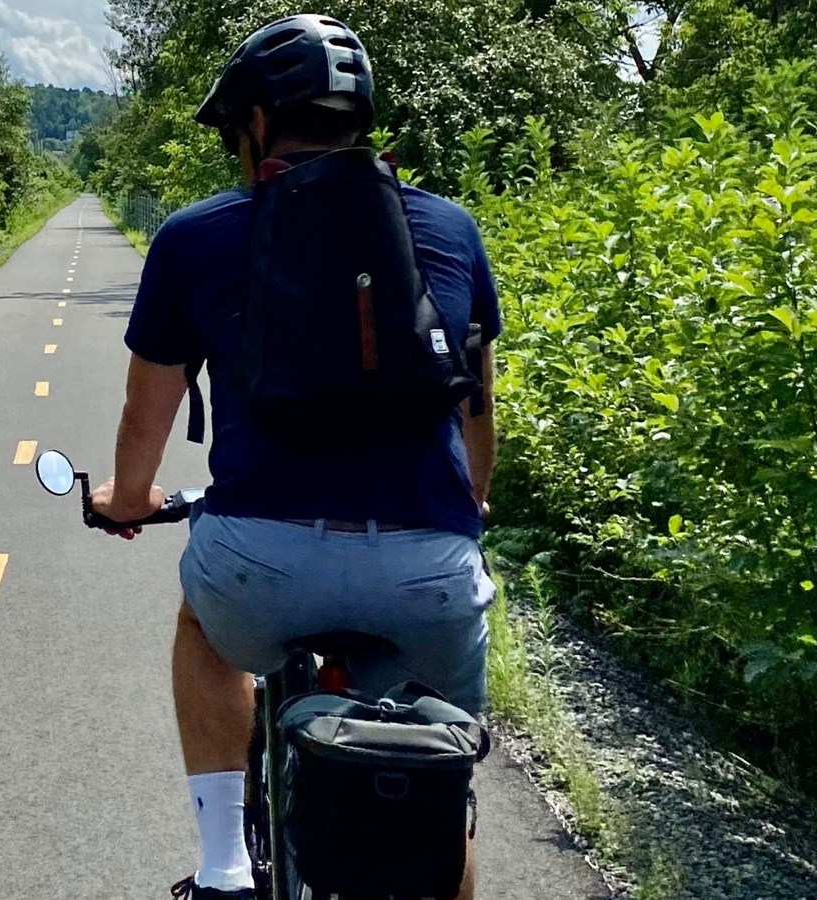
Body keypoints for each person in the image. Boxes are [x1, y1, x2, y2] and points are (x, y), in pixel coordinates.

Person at [87, 14, 501, 900]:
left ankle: (226, 868)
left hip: (259, 563)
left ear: (260, 125)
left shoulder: (195, 237)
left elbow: (144, 411)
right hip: (427, 567)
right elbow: (476, 402)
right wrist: (474, 499)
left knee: (203, 631)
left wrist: (125, 500)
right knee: (438, 784)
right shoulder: (451, 229)